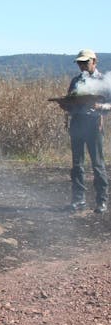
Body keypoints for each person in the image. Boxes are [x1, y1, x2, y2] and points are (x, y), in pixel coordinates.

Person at [60, 50, 109, 213]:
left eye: (85, 62)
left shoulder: (103, 80)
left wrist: (100, 107)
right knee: (77, 165)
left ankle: (102, 201)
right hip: (77, 123)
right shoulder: (76, 81)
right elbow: (71, 101)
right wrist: (65, 105)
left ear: (94, 61)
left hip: (94, 124)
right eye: (80, 63)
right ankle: (78, 200)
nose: (82, 66)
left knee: (97, 164)